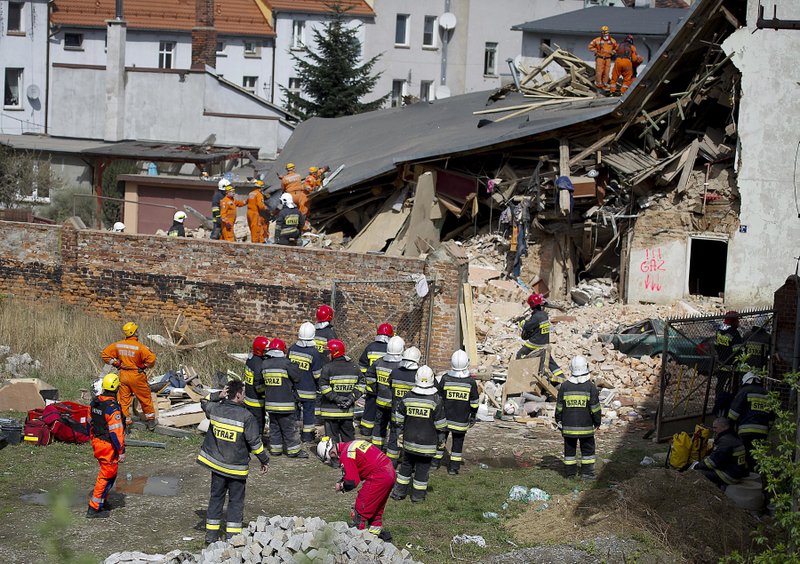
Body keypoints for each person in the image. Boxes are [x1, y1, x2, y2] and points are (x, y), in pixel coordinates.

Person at [197, 380, 269, 544]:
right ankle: (233, 537)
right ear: (238, 395)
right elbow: (255, 443)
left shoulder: (215, 409)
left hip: (217, 467)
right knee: (235, 502)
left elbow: (203, 402)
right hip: (236, 470)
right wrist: (264, 460)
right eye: (243, 393)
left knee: (216, 499)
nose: (245, 396)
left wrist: (217, 395)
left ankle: (210, 536)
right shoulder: (246, 417)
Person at [317, 436, 396, 540]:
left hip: (378, 476)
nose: (334, 461)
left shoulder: (346, 454)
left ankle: (358, 538)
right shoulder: (351, 445)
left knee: (361, 507)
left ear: (332, 454)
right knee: (376, 508)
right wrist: (343, 480)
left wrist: (341, 486)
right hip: (389, 471)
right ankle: (375, 536)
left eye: (332, 459)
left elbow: (352, 482)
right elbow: (359, 468)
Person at [390, 365, 446, 502]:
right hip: (427, 444)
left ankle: (398, 492)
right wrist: (441, 441)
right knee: (422, 469)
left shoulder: (408, 397)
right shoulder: (436, 400)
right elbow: (441, 425)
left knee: (406, 466)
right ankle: (417, 496)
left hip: (409, 441)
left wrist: (400, 433)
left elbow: (398, 417)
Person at [101, 322, 157, 430]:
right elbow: (152, 359)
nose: (138, 331)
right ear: (134, 332)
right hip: (137, 375)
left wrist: (116, 363)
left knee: (123, 400)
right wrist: (144, 366)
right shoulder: (140, 347)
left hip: (123, 375)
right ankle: (150, 422)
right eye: (136, 330)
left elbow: (105, 354)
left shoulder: (119, 345)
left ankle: (125, 423)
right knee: (144, 398)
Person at [432, 350, 479, 475]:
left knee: (441, 440)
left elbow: (439, 398)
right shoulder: (470, 382)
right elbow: (474, 402)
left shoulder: (445, 378)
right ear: (466, 363)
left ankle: (435, 463)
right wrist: (473, 415)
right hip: (461, 421)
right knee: (458, 443)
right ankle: (453, 468)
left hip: (445, 419)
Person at [555, 356, 602, 479]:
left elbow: (559, 406)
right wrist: (597, 422)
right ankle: (587, 474)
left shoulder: (564, 386)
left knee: (569, 451)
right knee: (587, 451)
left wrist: (558, 420)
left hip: (568, 428)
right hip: (586, 428)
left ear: (571, 369)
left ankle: (570, 474)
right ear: (586, 368)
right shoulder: (590, 387)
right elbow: (595, 408)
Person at [87, 373, 125, 518]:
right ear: (116, 388)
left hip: (98, 442)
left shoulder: (95, 403)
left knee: (110, 474)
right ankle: (94, 507)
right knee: (106, 476)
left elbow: (89, 423)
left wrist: (93, 439)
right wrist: (121, 450)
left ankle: (102, 501)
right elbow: (116, 433)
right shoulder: (112, 409)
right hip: (108, 446)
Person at [261, 338, 307, 458]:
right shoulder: (286, 363)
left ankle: (276, 450)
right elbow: (297, 378)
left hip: (270, 404)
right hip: (285, 404)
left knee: (274, 427)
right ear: (282, 350)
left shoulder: (264, 364)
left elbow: (259, 383)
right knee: (289, 429)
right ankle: (293, 451)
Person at [318, 339, 364, 443]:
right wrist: (351, 398)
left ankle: (334, 458)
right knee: (348, 438)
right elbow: (362, 384)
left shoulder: (327, 368)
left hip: (330, 412)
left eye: (329, 353)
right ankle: (349, 457)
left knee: (332, 440)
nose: (327, 355)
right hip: (347, 412)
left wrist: (336, 398)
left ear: (334, 353)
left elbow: (323, 386)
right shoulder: (354, 367)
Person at [728, 372, 774, 471]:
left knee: (744, 453)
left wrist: (730, 427)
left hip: (745, 431)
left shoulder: (744, 391)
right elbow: (771, 416)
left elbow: (733, 413)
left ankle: (744, 473)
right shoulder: (767, 394)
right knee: (757, 455)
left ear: (746, 381)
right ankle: (756, 474)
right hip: (762, 432)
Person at [516, 293, 565, 386]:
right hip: (545, 344)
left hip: (535, 344)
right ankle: (561, 376)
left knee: (520, 354)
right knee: (550, 361)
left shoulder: (536, 317)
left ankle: (520, 377)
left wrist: (521, 320)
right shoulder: (544, 315)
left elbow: (526, 326)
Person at [288, 322, 325, 443]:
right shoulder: (314, 353)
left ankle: (294, 435)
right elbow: (317, 374)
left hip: (294, 390)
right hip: (308, 391)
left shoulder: (292, 349)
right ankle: (307, 437)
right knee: (309, 415)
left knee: (294, 413)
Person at [385, 346, 421, 466]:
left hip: (396, 412)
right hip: (413, 416)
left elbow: (390, 387)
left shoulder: (395, 372)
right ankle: (409, 462)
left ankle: (391, 462)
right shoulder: (419, 375)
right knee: (412, 439)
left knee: (394, 437)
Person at [369, 336, 405, 449]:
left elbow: (369, 377)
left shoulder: (379, 362)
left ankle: (376, 450)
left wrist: (376, 390)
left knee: (379, 425)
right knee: (395, 428)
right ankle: (392, 453)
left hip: (380, 402)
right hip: (396, 404)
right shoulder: (402, 366)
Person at [359, 323, 394, 437]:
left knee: (369, 407)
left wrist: (366, 377)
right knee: (384, 412)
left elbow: (362, 366)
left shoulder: (370, 347)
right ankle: (382, 431)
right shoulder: (392, 350)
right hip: (386, 388)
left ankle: (366, 430)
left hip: (371, 386)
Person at [691, 417, 748, 488]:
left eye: (715, 428)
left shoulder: (725, 441)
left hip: (729, 476)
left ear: (724, 427)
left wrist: (696, 466)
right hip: (735, 472)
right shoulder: (733, 436)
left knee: (696, 473)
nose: (714, 430)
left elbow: (712, 462)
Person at [713, 311, 744, 415]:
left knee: (720, 386)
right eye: (737, 320)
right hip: (732, 366)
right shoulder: (734, 333)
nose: (739, 322)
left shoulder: (719, 331)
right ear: (733, 321)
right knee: (733, 388)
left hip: (721, 363)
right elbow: (738, 351)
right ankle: (730, 407)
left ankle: (717, 402)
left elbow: (716, 345)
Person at [244, 336, 270, 435]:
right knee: (258, 425)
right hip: (257, 402)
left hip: (248, 399)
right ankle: (257, 445)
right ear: (260, 350)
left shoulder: (250, 360)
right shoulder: (259, 364)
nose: (267, 353)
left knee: (249, 424)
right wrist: (267, 392)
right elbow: (258, 386)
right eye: (266, 350)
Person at [588, 26, 618, 91]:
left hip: (608, 59)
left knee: (606, 72)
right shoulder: (597, 40)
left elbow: (616, 48)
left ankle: (604, 84)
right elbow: (590, 46)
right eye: (604, 33)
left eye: (606, 33)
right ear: (602, 33)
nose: (605, 34)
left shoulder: (612, 41)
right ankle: (598, 84)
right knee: (599, 72)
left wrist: (613, 52)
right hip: (600, 58)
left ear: (608, 33)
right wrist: (596, 51)